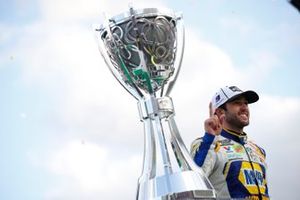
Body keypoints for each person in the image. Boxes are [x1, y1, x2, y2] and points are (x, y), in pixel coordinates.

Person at [190, 86, 269, 199]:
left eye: (246, 103)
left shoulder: (258, 150)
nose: (244, 107)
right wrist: (209, 138)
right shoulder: (207, 144)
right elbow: (194, 181)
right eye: (237, 103)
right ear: (220, 111)